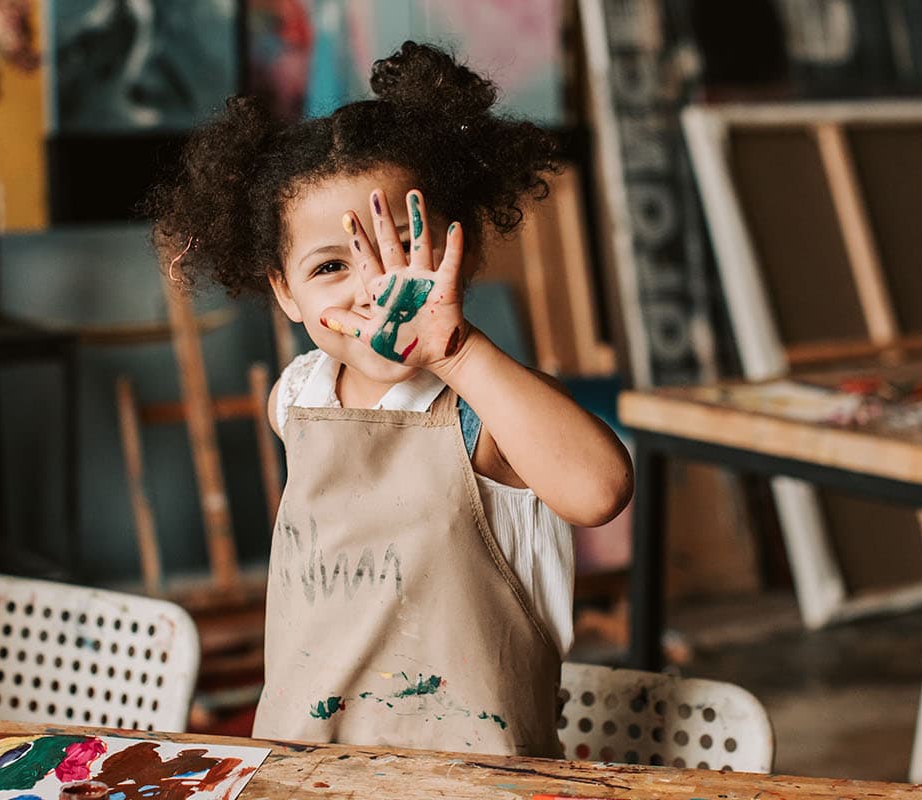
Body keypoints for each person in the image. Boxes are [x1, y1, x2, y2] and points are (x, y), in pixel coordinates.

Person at [148, 41, 633, 758]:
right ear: (283, 291)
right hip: (313, 767)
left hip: (470, 777)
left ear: (457, 252)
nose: (374, 288)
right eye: (331, 266)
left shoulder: (486, 405)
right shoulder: (299, 399)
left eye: (404, 249)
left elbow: (600, 491)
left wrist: (458, 351)